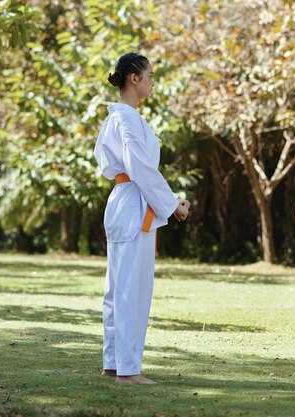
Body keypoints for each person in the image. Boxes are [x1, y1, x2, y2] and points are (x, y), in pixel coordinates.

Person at [93, 52, 190, 385]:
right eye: (149, 75)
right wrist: (172, 205)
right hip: (133, 203)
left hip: (126, 201)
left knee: (117, 288)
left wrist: (167, 200)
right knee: (130, 290)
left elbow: (136, 170)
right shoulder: (126, 117)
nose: (151, 81)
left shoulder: (116, 118)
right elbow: (140, 167)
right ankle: (129, 370)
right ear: (134, 78)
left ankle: (113, 362)